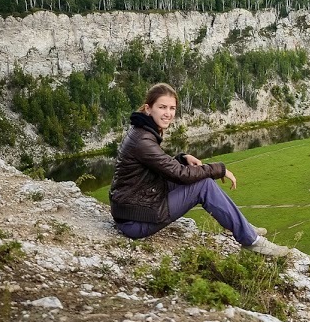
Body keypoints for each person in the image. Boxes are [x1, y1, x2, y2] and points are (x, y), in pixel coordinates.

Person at [109, 83, 288, 258]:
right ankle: (252, 241)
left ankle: (243, 227)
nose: (168, 113)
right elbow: (180, 175)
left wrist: (182, 158)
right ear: (148, 109)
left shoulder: (141, 131)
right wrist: (219, 169)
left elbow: (162, 166)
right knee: (204, 185)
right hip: (135, 221)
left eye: (172, 108)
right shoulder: (143, 140)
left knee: (196, 176)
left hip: (133, 208)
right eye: (162, 107)